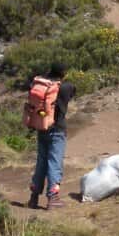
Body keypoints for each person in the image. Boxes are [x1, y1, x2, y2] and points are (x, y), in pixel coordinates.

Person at [29, 63, 76, 210]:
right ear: (64, 74)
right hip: (57, 131)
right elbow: (74, 91)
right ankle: (53, 198)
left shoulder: (43, 86)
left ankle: (34, 197)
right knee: (54, 162)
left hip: (42, 127)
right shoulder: (66, 87)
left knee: (41, 162)